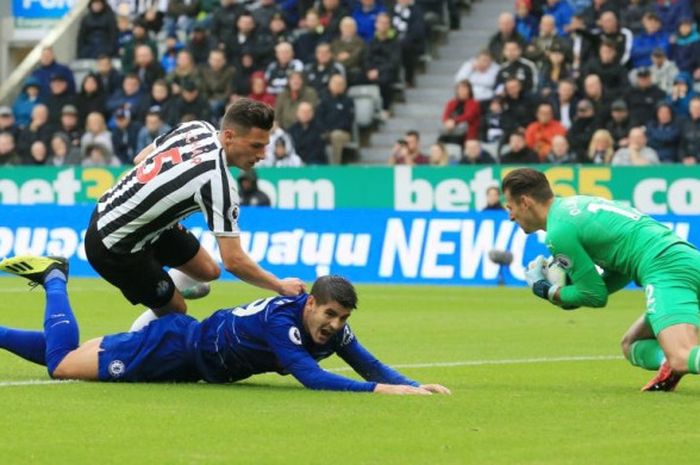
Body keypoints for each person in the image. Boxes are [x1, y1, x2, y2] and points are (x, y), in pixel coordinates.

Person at [0, 258, 450, 395]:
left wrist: (414, 385)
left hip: (186, 353)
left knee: (76, 355)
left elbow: (368, 364)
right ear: (310, 303)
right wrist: (387, 393)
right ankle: (55, 277)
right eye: (329, 314)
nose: (334, 325)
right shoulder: (282, 319)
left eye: (342, 319)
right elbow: (311, 378)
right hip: (174, 347)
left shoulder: (330, 329)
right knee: (61, 364)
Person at [83, 99, 305, 325]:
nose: (263, 155)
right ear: (229, 136)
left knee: (208, 271)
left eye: (265, 145)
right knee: (177, 313)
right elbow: (234, 260)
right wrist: (279, 285)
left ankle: (161, 287)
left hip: (108, 208)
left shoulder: (197, 128)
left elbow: (140, 158)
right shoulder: (218, 181)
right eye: (256, 146)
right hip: (114, 247)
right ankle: (135, 340)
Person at [502, 167, 700, 391]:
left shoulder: (558, 232)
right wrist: (571, 296)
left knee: (681, 356)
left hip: (665, 268)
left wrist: (547, 290)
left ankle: (673, 362)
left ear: (525, 202)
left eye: (510, 207)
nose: (510, 216)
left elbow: (594, 295)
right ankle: (666, 365)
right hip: (688, 258)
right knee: (631, 344)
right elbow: (619, 271)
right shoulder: (576, 204)